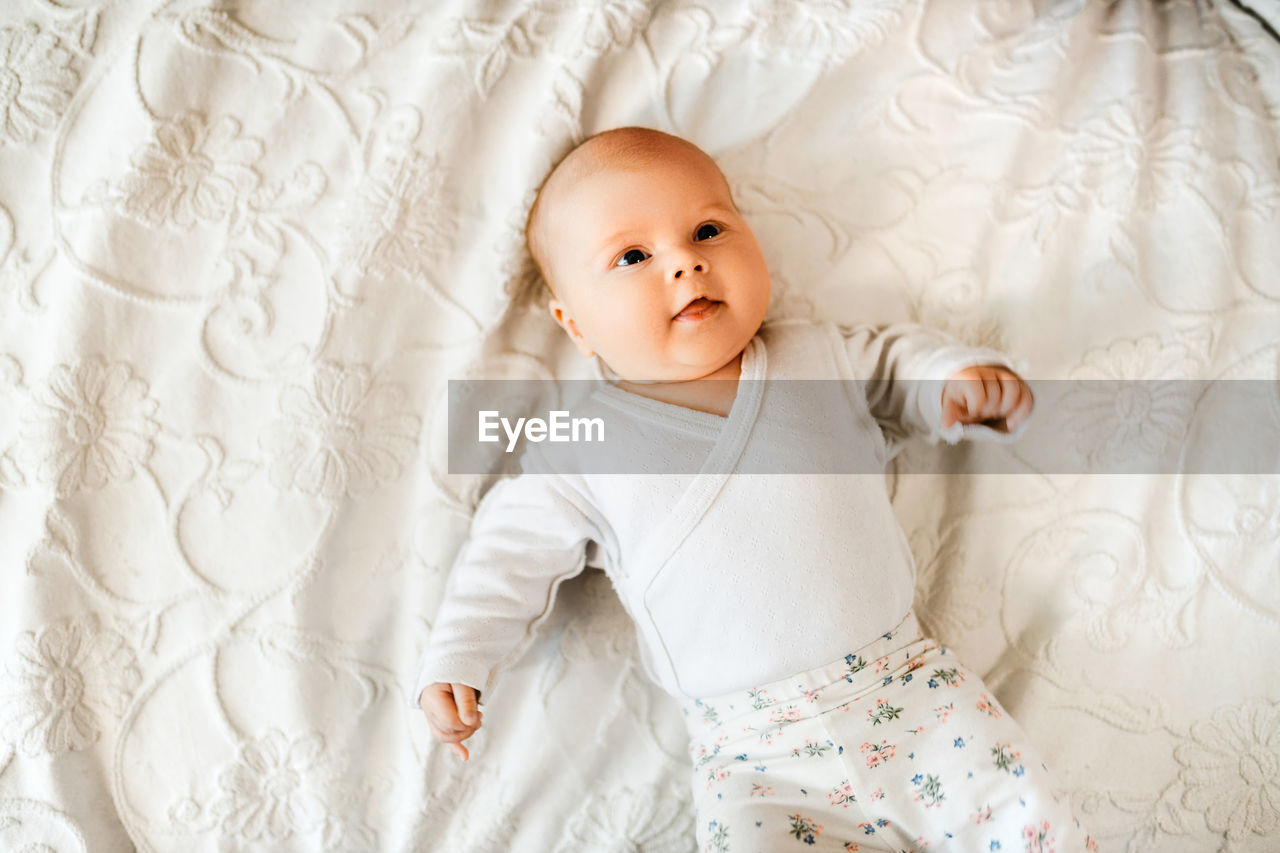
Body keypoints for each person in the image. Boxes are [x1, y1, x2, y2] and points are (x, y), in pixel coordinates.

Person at [412, 126, 1096, 852]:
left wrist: (956, 382)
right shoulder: (581, 449)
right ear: (575, 323)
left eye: (707, 228)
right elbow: (505, 554)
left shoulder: (816, 356)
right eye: (633, 256)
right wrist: (458, 656)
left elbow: (900, 366)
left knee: (1030, 825)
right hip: (759, 763)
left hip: (918, 701)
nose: (685, 261)